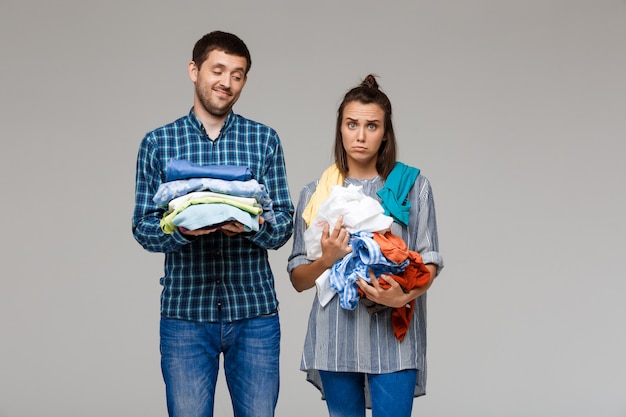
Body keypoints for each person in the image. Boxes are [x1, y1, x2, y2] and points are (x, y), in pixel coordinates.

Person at [132, 30, 294, 417]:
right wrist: (180, 230)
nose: (226, 82)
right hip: (185, 314)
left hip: (254, 312)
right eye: (217, 70)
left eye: (237, 74)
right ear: (194, 70)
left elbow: (284, 222)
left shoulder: (264, 140)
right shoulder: (158, 143)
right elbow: (142, 226)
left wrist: (252, 226)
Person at [287, 74, 443, 417]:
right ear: (339, 128)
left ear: (385, 132)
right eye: (351, 124)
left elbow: (429, 262)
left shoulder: (413, 187)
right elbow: (298, 279)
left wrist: (400, 297)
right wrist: (327, 259)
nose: (360, 135)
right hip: (335, 337)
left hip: (395, 339)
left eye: (371, 126)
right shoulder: (317, 194)